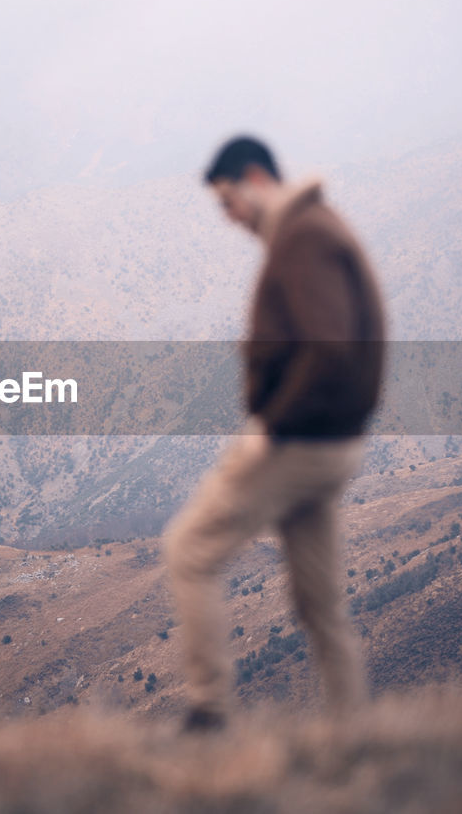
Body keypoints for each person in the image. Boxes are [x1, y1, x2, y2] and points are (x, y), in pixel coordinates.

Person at [163, 135, 386, 733]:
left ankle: (209, 711)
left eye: (227, 202)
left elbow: (331, 348)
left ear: (254, 179)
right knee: (320, 604)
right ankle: (352, 730)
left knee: (188, 549)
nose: (228, 217)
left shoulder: (303, 238)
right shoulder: (314, 225)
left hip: (300, 443)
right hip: (332, 443)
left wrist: (272, 426)